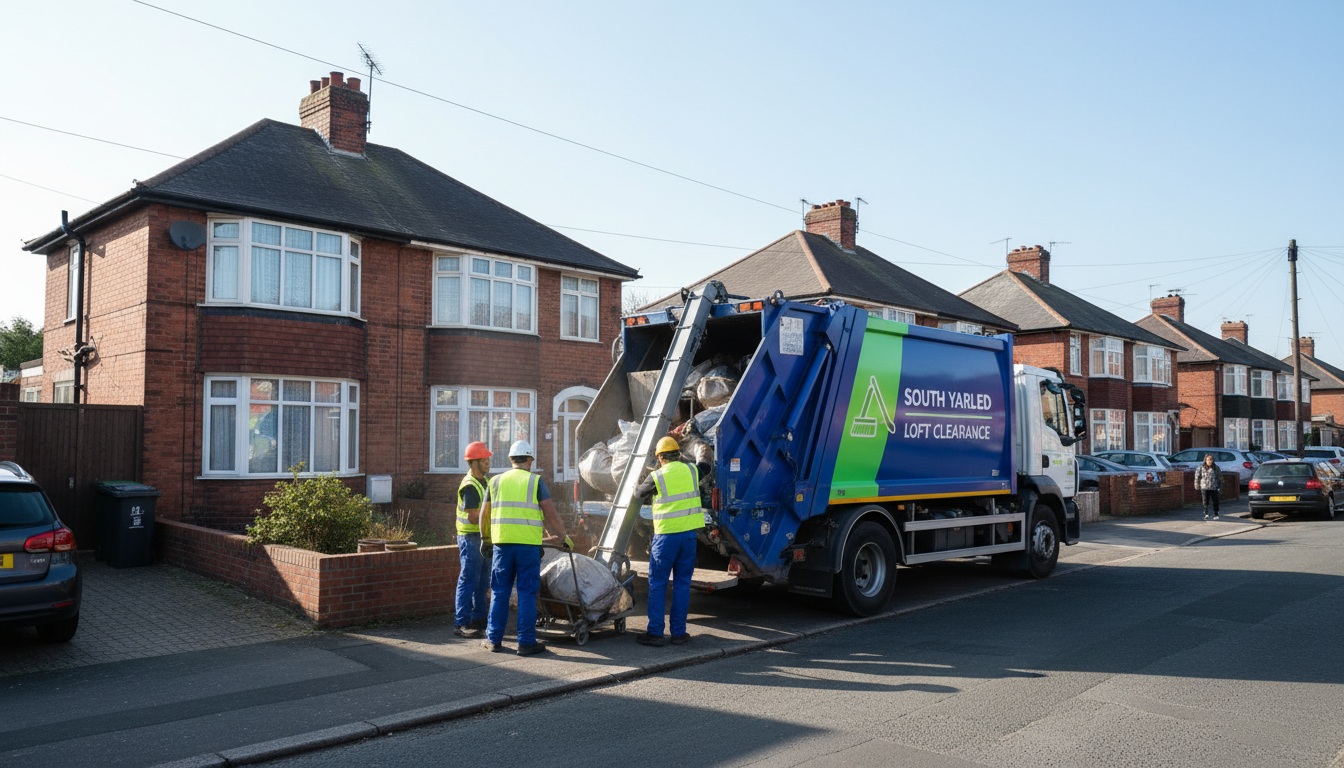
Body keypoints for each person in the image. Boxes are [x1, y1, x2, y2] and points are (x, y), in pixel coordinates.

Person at [481, 440, 572, 656]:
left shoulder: (495, 481)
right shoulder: (535, 481)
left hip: (502, 545)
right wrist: (564, 537)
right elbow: (550, 513)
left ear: (511, 459)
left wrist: (486, 539)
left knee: (500, 592)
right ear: (530, 460)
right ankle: (526, 642)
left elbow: (484, 513)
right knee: (527, 593)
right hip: (528, 548)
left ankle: (493, 640)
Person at [633, 436, 711, 647]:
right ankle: (679, 633)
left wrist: (637, 479)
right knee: (682, 584)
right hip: (688, 537)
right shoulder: (692, 471)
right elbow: (705, 466)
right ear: (678, 454)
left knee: (658, 584)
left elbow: (638, 493)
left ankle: (655, 633)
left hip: (666, 538)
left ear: (660, 457)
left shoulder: (657, 476)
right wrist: (702, 447)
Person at [452, 441, 493, 639]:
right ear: (474, 462)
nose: (488, 463)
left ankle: (479, 619)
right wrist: (496, 516)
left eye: (488, 459)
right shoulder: (470, 485)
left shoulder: (485, 482)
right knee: (469, 579)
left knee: (483, 580)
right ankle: (461, 622)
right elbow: (474, 517)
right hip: (470, 538)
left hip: (482, 537)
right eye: (484, 460)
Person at [1194, 453, 1222, 520]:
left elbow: (1220, 477)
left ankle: (1216, 513)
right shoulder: (1201, 468)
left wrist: (1220, 485)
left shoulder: (1216, 468)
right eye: (1208, 460)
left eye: (1211, 459)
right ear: (1205, 460)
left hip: (1214, 487)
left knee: (1215, 501)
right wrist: (1197, 485)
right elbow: (1197, 477)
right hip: (1204, 487)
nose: (1209, 461)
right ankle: (1206, 513)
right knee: (1205, 501)